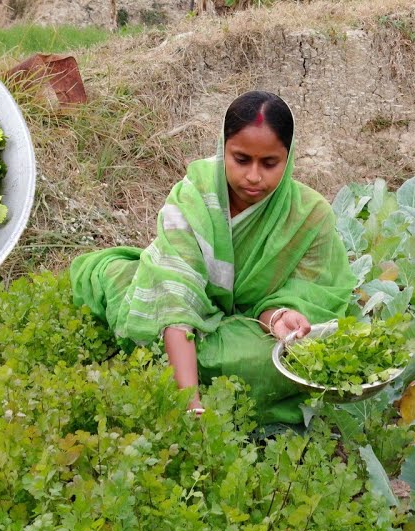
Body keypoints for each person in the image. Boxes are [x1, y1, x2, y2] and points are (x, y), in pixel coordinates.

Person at [70, 90, 356, 424]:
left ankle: (172, 365)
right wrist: (189, 404)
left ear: (288, 157)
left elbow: (312, 292)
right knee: (139, 300)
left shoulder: (309, 216)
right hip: (185, 318)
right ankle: (183, 371)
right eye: (241, 159)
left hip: (251, 331)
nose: (253, 176)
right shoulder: (194, 197)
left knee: (278, 358)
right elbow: (175, 298)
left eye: (269, 163)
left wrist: (279, 316)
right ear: (223, 149)